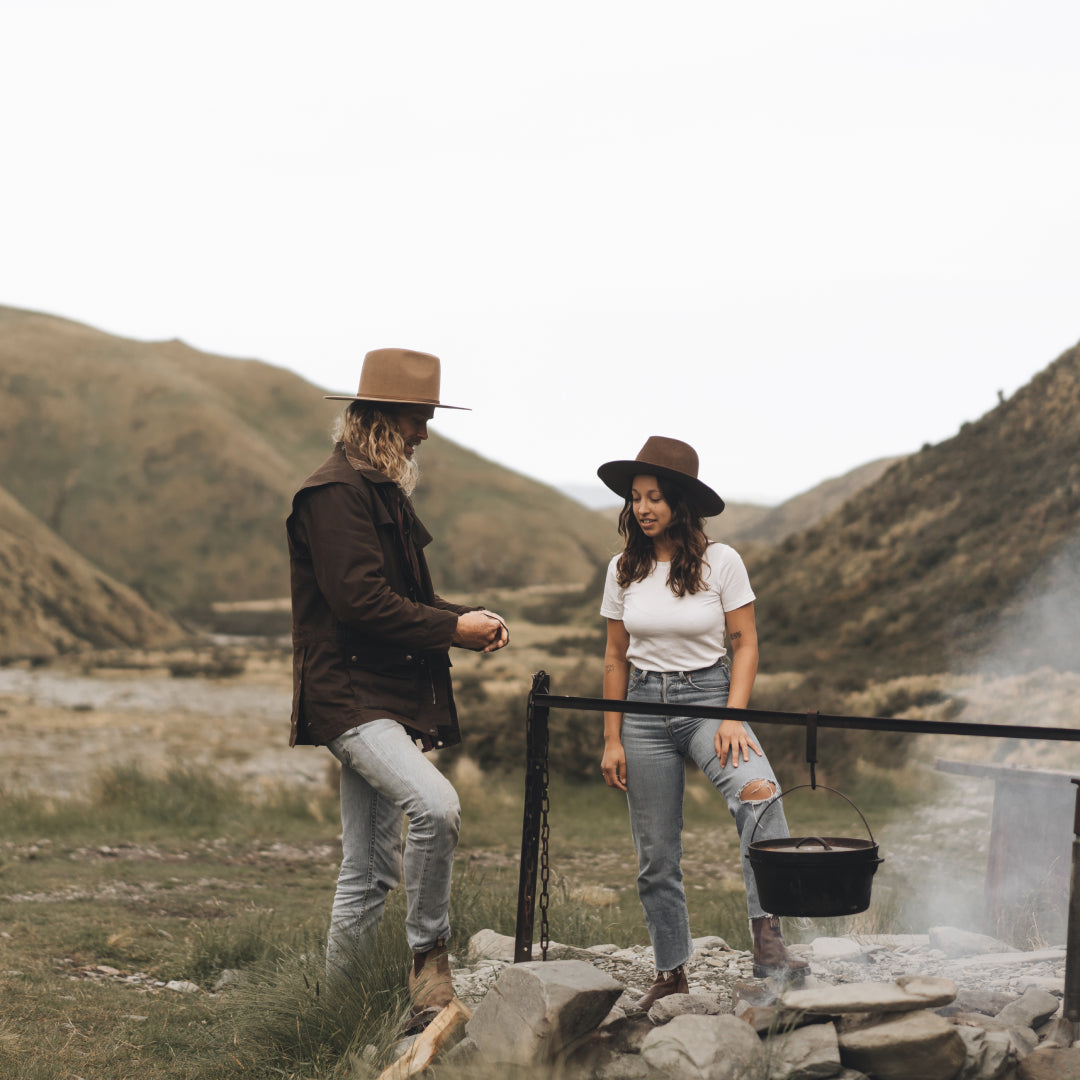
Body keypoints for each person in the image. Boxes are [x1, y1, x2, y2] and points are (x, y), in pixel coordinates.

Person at [286, 347, 509, 1024]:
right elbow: (360, 603)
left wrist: (464, 616)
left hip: (380, 695)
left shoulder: (379, 491)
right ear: (380, 419)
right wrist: (453, 631)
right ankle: (428, 962)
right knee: (436, 808)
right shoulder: (334, 496)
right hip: (350, 699)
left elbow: (406, 596)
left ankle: (336, 1015)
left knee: (369, 869)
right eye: (417, 418)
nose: (424, 433)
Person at [596, 435, 806, 1007]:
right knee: (656, 853)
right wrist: (612, 737)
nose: (643, 508)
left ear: (680, 503)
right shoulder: (621, 569)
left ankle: (768, 942)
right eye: (637, 497)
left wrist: (732, 716)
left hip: (710, 701)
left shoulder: (723, 562)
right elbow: (615, 656)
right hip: (641, 710)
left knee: (760, 794)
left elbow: (746, 644)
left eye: (656, 497)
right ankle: (670, 970)